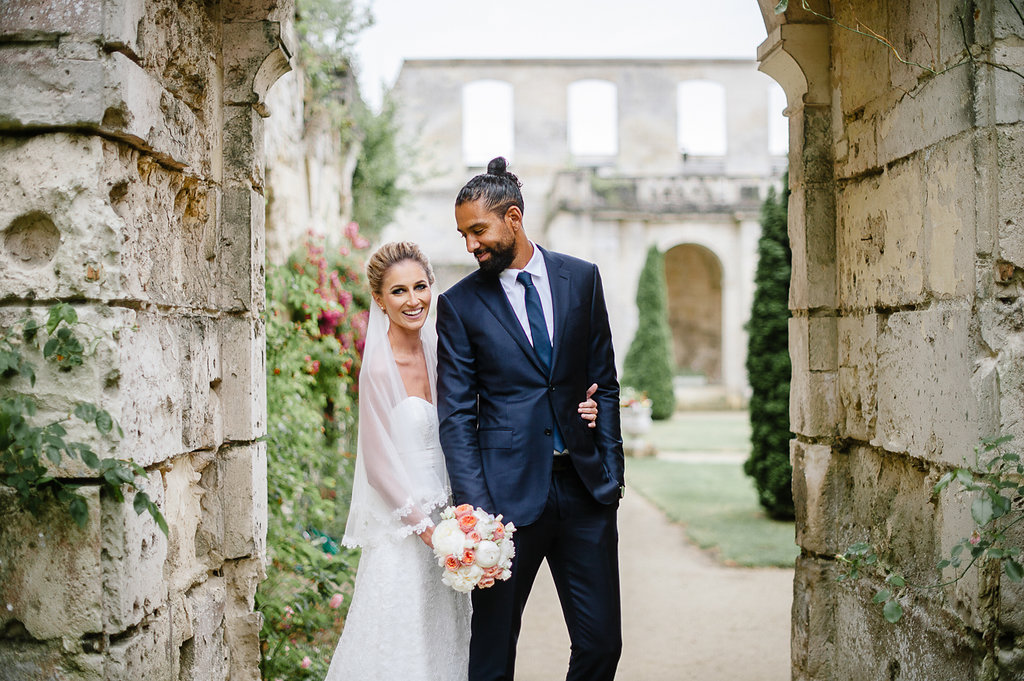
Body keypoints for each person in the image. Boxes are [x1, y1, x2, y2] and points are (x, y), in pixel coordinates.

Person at [324, 241, 599, 680]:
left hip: (457, 525)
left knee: (450, 642)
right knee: (403, 645)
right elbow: (377, 467)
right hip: (410, 532)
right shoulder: (377, 368)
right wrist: (429, 532)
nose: (413, 300)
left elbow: (498, 407)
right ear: (379, 298)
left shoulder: (442, 350)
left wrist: (579, 405)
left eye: (420, 286)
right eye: (398, 291)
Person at [436, 157, 625, 681]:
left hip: (585, 491)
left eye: (478, 231)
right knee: (493, 657)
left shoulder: (581, 279)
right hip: (505, 505)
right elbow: (456, 415)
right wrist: (478, 516)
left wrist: (612, 472)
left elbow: (605, 384)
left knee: (601, 644)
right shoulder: (460, 305)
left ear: (513, 218)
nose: (470, 245)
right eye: (463, 235)